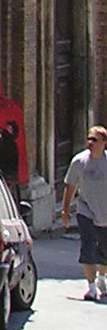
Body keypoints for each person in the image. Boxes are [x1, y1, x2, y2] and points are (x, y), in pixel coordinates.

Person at [61, 125, 107, 301]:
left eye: (94, 140)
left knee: (104, 251)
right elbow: (70, 185)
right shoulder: (79, 162)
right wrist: (65, 210)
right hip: (86, 210)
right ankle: (91, 286)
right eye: (89, 138)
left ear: (104, 143)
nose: (90, 142)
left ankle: (102, 278)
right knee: (88, 246)